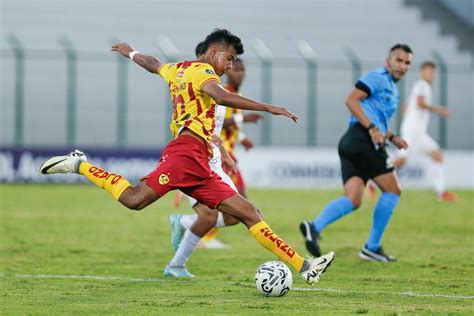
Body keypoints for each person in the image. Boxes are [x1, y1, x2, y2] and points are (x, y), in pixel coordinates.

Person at [39, 29, 335, 284]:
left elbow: (153, 64)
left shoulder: (177, 68)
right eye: (229, 58)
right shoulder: (204, 72)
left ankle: (305, 266)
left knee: (249, 213)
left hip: (201, 159)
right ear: (215, 52)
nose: (230, 65)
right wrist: (272, 108)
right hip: (184, 155)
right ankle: (80, 164)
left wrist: (131, 53)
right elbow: (220, 97)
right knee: (134, 200)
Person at [300, 44, 413, 262]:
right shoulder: (378, 77)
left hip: (352, 141)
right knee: (393, 190)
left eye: (407, 62)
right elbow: (351, 99)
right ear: (388, 60)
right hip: (363, 140)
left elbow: (376, 118)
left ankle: (314, 227)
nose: (403, 66)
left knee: (353, 199)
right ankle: (372, 247)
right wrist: (371, 129)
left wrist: (391, 137)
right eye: (399, 60)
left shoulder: (391, 88)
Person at [393, 61, 455, 201]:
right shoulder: (422, 85)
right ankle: (372, 181)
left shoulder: (419, 86)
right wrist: (440, 110)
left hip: (418, 131)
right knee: (401, 160)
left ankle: (441, 192)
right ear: (422, 72)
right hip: (413, 130)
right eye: (427, 71)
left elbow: (405, 106)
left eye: (432, 72)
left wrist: (409, 115)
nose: (430, 74)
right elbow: (420, 103)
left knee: (437, 154)